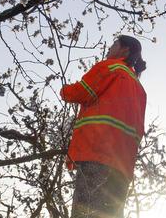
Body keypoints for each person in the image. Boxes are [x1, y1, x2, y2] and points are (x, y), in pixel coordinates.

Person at [61, 35, 147, 218]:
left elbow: (81, 92)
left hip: (97, 154)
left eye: (114, 44)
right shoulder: (139, 88)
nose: (109, 47)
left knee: (86, 212)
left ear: (125, 50)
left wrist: (64, 90)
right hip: (123, 165)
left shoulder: (109, 67)